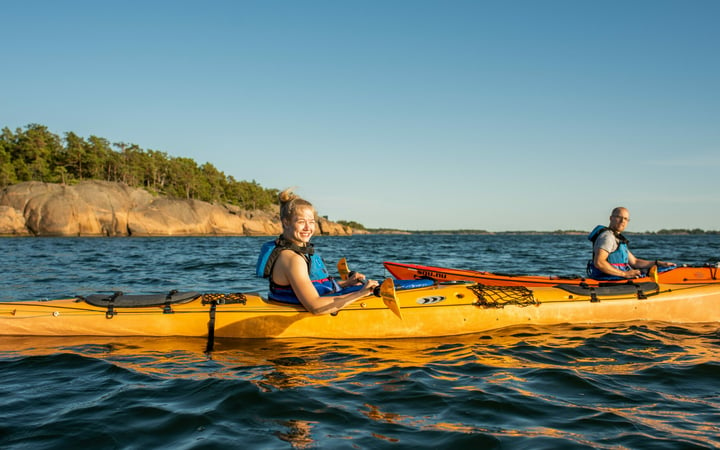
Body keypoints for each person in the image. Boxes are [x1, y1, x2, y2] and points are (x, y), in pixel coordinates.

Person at [256, 188, 379, 315]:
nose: (308, 228)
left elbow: (311, 287)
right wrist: (361, 293)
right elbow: (315, 306)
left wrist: (347, 283)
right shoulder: (293, 259)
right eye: (301, 222)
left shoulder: (292, 252)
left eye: (311, 222)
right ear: (286, 222)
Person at [587, 207, 675, 279]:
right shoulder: (608, 237)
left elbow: (634, 262)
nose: (622, 221)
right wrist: (625, 274)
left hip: (616, 277)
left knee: (661, 269)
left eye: (625, 219)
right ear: (611, 218)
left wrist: (658, 263)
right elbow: (599, 262)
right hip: (608, 279)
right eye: (619, 217)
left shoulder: (616, 237)